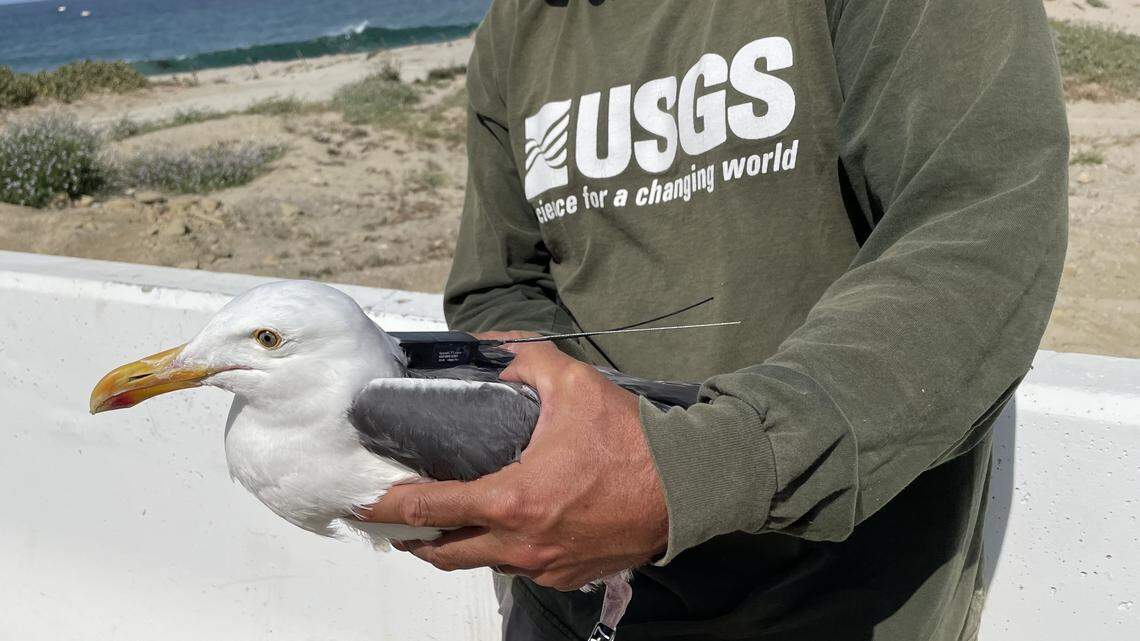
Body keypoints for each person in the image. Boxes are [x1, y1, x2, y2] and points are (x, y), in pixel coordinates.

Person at [362, 0, 1068, 639]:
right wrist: (553, 457)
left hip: (842, 600)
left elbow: (977, 237)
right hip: (566, 597)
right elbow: (498, 288)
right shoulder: (520, 23)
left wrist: (687, 473)